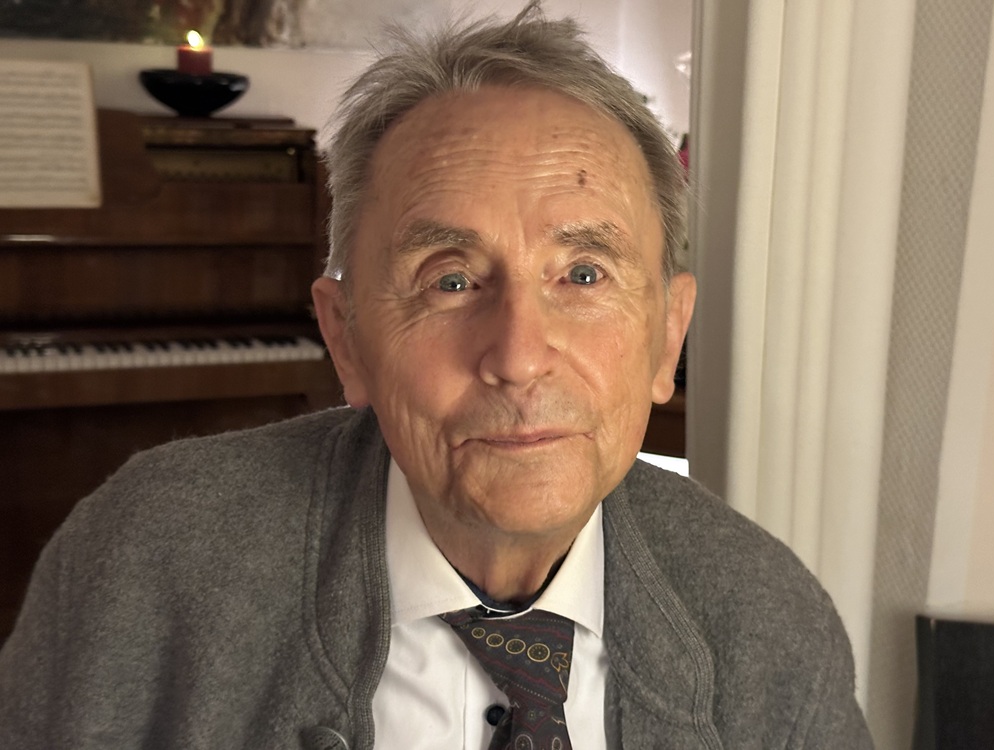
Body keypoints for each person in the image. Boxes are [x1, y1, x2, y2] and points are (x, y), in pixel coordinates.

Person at [0, 3, 874, 748]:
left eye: (583, 275)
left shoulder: (775, 628)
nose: (518, 358)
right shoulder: (140, 566)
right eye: (449, 280)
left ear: (667, 336)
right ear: (346, 340)